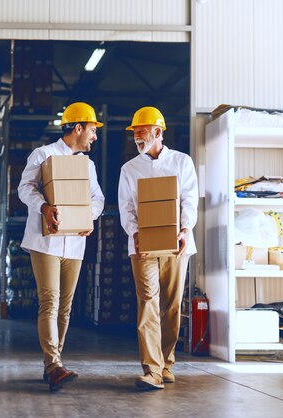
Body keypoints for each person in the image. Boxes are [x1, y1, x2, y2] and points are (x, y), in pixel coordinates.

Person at [18, 102, 105, 391]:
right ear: (78, 127)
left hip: (75, 242)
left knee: (65, 309)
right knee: (50, 301)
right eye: (92, 130)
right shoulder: (43, 155)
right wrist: (43, 206)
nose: (94, 136)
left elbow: (98, 199)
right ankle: (54, 365)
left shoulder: (87, 165)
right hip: (46, 241)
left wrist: (89, 216)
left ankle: (53, 364)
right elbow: (25, 188)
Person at [117, 106, 199, 390]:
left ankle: (166, 363)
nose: (137, 137)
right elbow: (126, 207)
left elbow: (190, 199)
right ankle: (151, 370)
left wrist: (185, 229)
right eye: (135, 133)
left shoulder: (181, 162)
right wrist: (135, 231)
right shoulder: (129, 169)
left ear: (158, 132)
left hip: (177, 244)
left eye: (141, 132)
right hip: (141, 246)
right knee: (148, 302)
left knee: (172, 306)